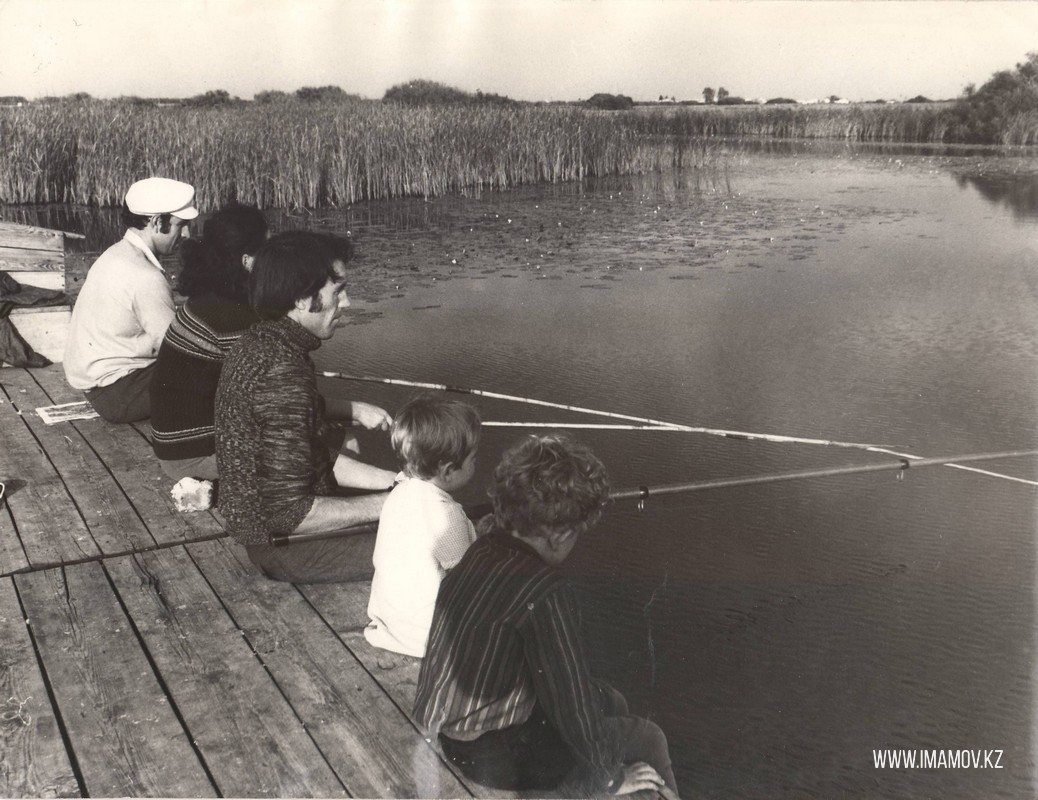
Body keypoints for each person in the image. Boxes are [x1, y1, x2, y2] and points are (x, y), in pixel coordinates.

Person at [414, 434, 679, 798]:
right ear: (561, 534)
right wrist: (609, 778)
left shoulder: (480, 550)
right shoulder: (545, 591)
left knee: (610, 699)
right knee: (649, 738)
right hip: (493, 758)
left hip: (448, 734)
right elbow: (570, 703)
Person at [215, 230, 398, 583]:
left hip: (274, 533)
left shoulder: (260, 342)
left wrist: (396, 483)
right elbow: (288, 514)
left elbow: (309, 456)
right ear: (302, 299)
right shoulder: (282, 370)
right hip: (287, 547)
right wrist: (391, 504)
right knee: (443, 546)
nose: (346, 304)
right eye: (338, 292)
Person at [64, 177, 198, 423]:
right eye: (182, 224)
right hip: (120, 394)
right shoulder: (145, 276)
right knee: (212, 370)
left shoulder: (115, 254)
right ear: (158, 222)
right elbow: (178, 349)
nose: (187, 233)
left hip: (101, 388)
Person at [150, 204, 269, 481]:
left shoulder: (207, 299)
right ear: (247, 260)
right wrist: (351, 410)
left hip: (177, 448)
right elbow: (271, 398)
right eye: (267, 249)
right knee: (307, 447)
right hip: (196, 457)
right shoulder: (231, 317)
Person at [365, 394, 482, 657]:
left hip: (392, 626)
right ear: (448, 470)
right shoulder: (447, 515)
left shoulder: (399, 493)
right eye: (473, 459)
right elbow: (466, 579)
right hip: (430, 638)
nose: (477, 463)